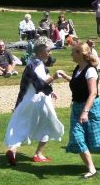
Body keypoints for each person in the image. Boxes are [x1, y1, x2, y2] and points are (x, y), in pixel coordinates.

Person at [61, 42, 100, 179]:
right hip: (77, 107)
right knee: (77, 138)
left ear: (80, 54)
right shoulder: (78, 68)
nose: (70, 54)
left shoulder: (90, 70)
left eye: (73, 52)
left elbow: (93, 93)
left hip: (91, 108)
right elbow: (78, 83)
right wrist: (65, 77)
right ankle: (92, 169)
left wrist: (85, 111)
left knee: (96, 142)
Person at [4, 37, 65, 166]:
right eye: (48, 51)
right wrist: (54, 76)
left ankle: (13, 150)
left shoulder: (32, 63)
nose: (50, 53)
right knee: (49, 125)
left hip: (27, 100)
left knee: (21, 125)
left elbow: (36, 83)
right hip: (40, 101)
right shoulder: (37, 65)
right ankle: (38, 154)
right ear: (42, 51)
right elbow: (40, 84)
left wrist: (50, 90)